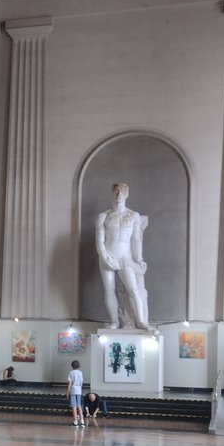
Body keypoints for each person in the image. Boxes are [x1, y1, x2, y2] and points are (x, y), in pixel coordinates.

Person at [95, 181, 150, 330]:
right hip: (108, 255)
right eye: (116, 192)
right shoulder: (103, 216)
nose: (119, 195)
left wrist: (139, 259)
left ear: (127, 194)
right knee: (109, 289)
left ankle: (141, 321)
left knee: (133, 290)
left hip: (125, 258)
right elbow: (99, 240)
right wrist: (104, 257)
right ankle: (115, 322)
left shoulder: (133, 215)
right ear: (112, 193)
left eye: (122, 192)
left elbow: (136, 240)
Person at [67, 359, 84, 427]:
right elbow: (81, 382)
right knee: (79, 405)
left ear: (72, 365)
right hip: (79, 390)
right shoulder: (80, 373)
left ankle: (75, 422)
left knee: (74, 406)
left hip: (73, 390)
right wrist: (80, 389)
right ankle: (82, 422)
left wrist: (68, 391)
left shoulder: (71, 372)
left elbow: (70, 383)